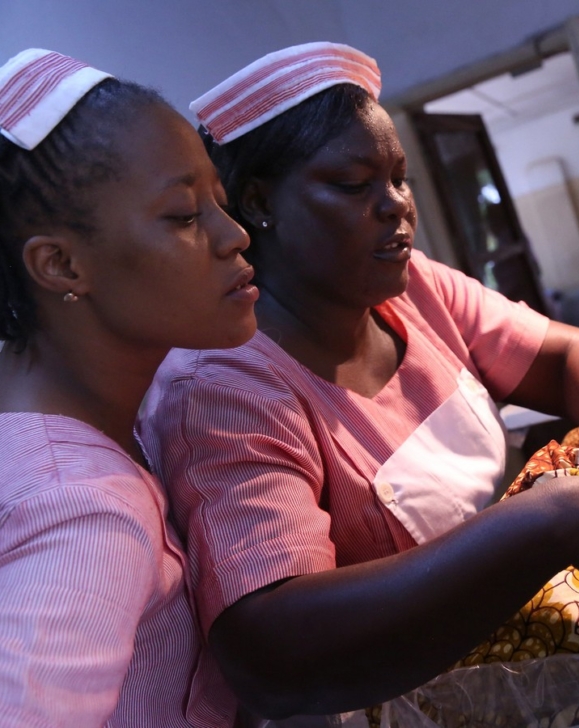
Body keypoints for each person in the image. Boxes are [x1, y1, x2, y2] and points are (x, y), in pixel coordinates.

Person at [138, 42, 579, 720]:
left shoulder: (406, 291)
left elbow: (561, 356)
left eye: (398, 178)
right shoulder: (221, 389)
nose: (397, 207)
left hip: (511, 650)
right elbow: (272, 650)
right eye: (354, 185)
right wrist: (543, 524)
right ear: (258, 202)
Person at [0, 49, 256, 725]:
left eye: (220, 204)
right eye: (183, 216)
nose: (235, 237)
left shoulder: (86, 414)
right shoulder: (83, 511)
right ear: (59, 264)